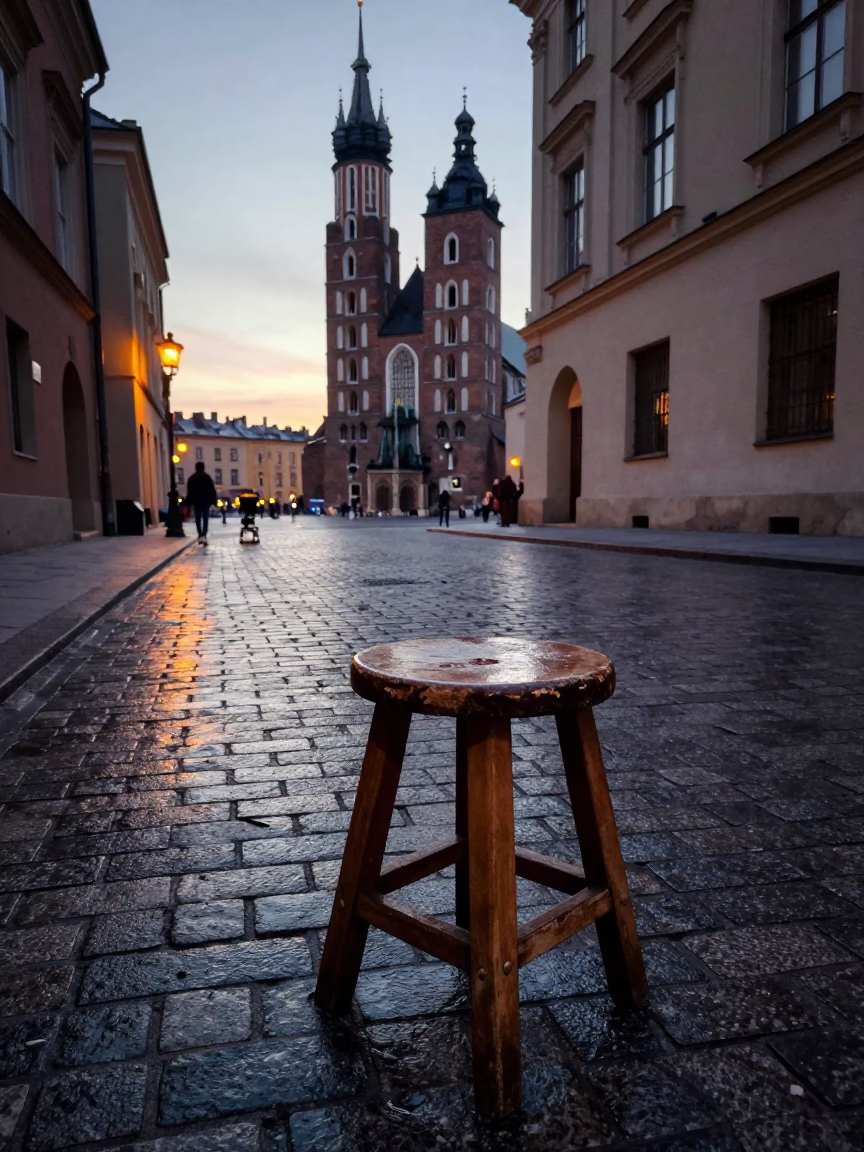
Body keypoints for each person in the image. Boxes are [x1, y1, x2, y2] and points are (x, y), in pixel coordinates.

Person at [185, 461, 218, 545]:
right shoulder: (207, 477)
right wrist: (214, 501)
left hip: (196, 502)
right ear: (203, 467)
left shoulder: (192, 478)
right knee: (206, 518)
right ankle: (204, 534)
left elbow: (189, 491)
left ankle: (200, 534)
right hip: (206, 502)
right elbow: (212, 490)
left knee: (198, 518)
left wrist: (188, 501)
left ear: (196, 468)